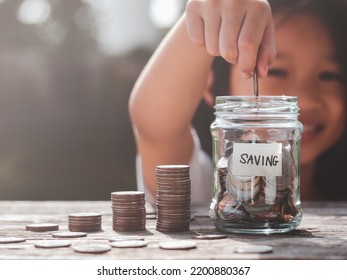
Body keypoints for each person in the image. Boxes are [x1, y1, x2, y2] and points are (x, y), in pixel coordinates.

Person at [129, 0, 347, 206]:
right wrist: (208, 13)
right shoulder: (207, 188)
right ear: (213, 86)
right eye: (277, 71)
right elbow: (157, 127)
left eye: (329, 75)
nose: (304, 100)